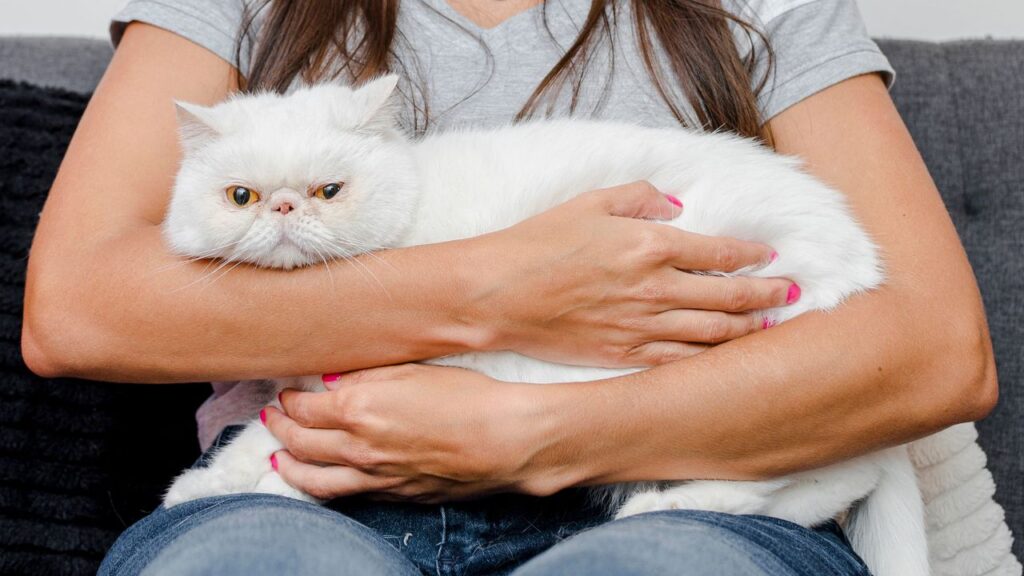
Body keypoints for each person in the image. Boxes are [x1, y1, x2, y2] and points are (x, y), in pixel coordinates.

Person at [23, 0, 996, 574]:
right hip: (302, 496)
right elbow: (76, 308)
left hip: (686, 496)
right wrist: (500, 290)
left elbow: (934, 349)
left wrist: (520, 433)